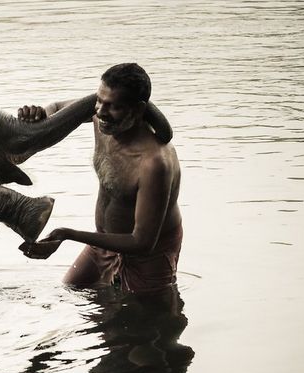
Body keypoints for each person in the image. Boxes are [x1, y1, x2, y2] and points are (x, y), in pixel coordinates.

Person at [17, 63, 182, 294]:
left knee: (146, 323)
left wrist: (67, 234)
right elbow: (56, 107)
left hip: (148, 256)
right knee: (70, 290)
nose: (101, 112)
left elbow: (143, 243)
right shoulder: (102, 121)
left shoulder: (154, 163)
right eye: (99, 101)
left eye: (113, 106)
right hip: (102, 243)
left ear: (138, 110)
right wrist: (40, 115)